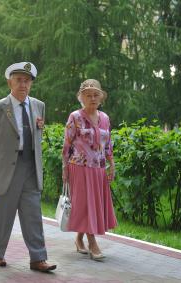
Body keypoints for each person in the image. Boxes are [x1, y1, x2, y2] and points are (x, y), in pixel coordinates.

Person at [0, 62, 56, 272]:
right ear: (9, 82)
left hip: (31, 166)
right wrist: (0, 162)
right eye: (19, 80)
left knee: (33, 213)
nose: (23, 84)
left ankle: (38, 258)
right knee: (3, 214)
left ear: (31, 83)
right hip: (7, 169)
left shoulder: (39, 105)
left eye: (27, 80)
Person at [61, 79, 117, 261]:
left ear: (101, 98)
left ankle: (79, 239)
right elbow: (67, 144)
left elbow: (108, 144)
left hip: (99, 168)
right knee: (86, 204)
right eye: (88, 95)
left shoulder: (105, 118)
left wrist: (112, 165)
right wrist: (64, 168)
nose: (92, 98)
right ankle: (93, 243)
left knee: (91, 205)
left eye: (96, 95)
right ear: (81, 97)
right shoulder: (75, 116)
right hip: (79, 167)